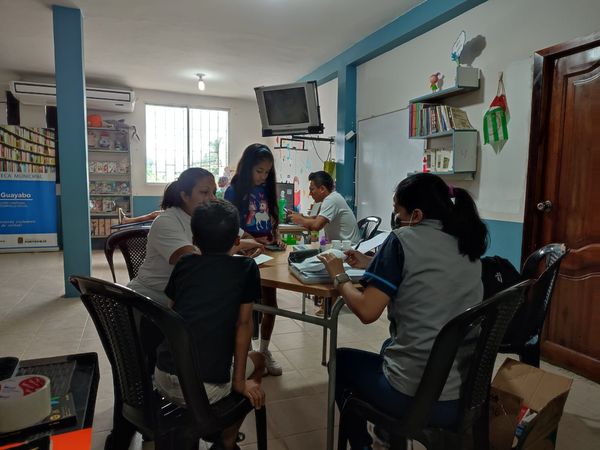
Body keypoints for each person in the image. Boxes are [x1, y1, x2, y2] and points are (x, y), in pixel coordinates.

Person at [317, 173, 488, 449]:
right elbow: (426, 273)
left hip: (415, 397)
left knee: (341, 360)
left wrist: (339, 275)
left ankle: (364, 445)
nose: (395, 217)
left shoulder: (401, 239)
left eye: (398, 210)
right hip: (463, 396)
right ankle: (386, 436)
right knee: (387, 347)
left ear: (416, 215)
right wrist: (373, 262)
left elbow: (367, 311)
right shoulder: (467, 243)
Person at [154, 199, 265, 450]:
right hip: (203, 388)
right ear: (237, 240)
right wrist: (239, 381)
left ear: (194, 239)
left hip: (162, 376)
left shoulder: (184, 263)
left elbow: (172, 314)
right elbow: (243, 325)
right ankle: (226, 441)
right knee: (259, 360)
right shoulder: (246, 268)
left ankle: (211, 430)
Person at [128, 167, 261, 306]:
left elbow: (246, 237)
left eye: (214, 192)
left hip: (191, 297)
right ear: (185, 196)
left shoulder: (212, 217)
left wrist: (252, 247)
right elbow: (193, 262)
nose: (213, 198)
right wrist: (241, 245)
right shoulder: (166, 221)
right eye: (204, 192)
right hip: (151, 301)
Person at [225, 144, 284, 376]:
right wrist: (250, 240)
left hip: (267, 254)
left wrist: (276, 238)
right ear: (247, 167)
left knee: (271, 305)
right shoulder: (233, 191)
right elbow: (231, 225)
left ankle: (265, 351)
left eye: (267, 172)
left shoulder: (266, 190)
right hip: (244, 255)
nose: (263, 176)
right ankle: (247, 354)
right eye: (259, 171)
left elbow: (272, 220)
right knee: (245, 308)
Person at [287, 170, 361, 245]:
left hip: (349, 247)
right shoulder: (332, 198)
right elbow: (317, 218)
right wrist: (300, 216)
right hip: (342, 246)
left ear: (322, 189)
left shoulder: (331, 200)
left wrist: (300, 220)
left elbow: (316, 226)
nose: (310, 194)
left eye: (312, 189)